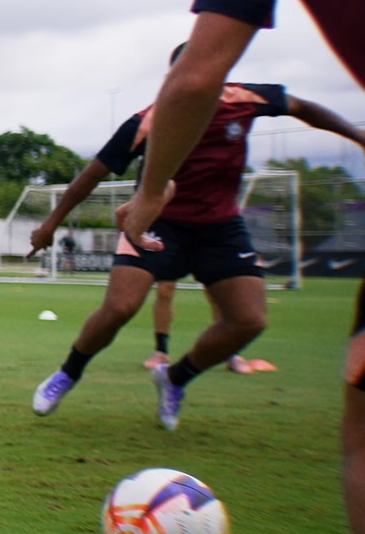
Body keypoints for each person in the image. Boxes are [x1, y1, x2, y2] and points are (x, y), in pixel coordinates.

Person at [115, 0, 365, 534]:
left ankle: (171, 372)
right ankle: (128, 371)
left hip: (194, 218)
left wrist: (149, 194)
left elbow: (195, 77)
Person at [32, 44, 365, 431]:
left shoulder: (247, 99)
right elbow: (92, 173)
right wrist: (51, 224)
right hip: (157, 223)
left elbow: (305, 108)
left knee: (249, 320)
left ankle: (175, 378)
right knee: (120, 307)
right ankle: (68, 373)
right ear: (173, 81)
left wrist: (355, 134)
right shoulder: (147, 121)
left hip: (220, 228)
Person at [143, 281, 270, 373]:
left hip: (202, 244)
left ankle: (232, 354)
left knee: (215, 290)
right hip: (174, 244)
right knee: (165, 288)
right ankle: (161, 351)